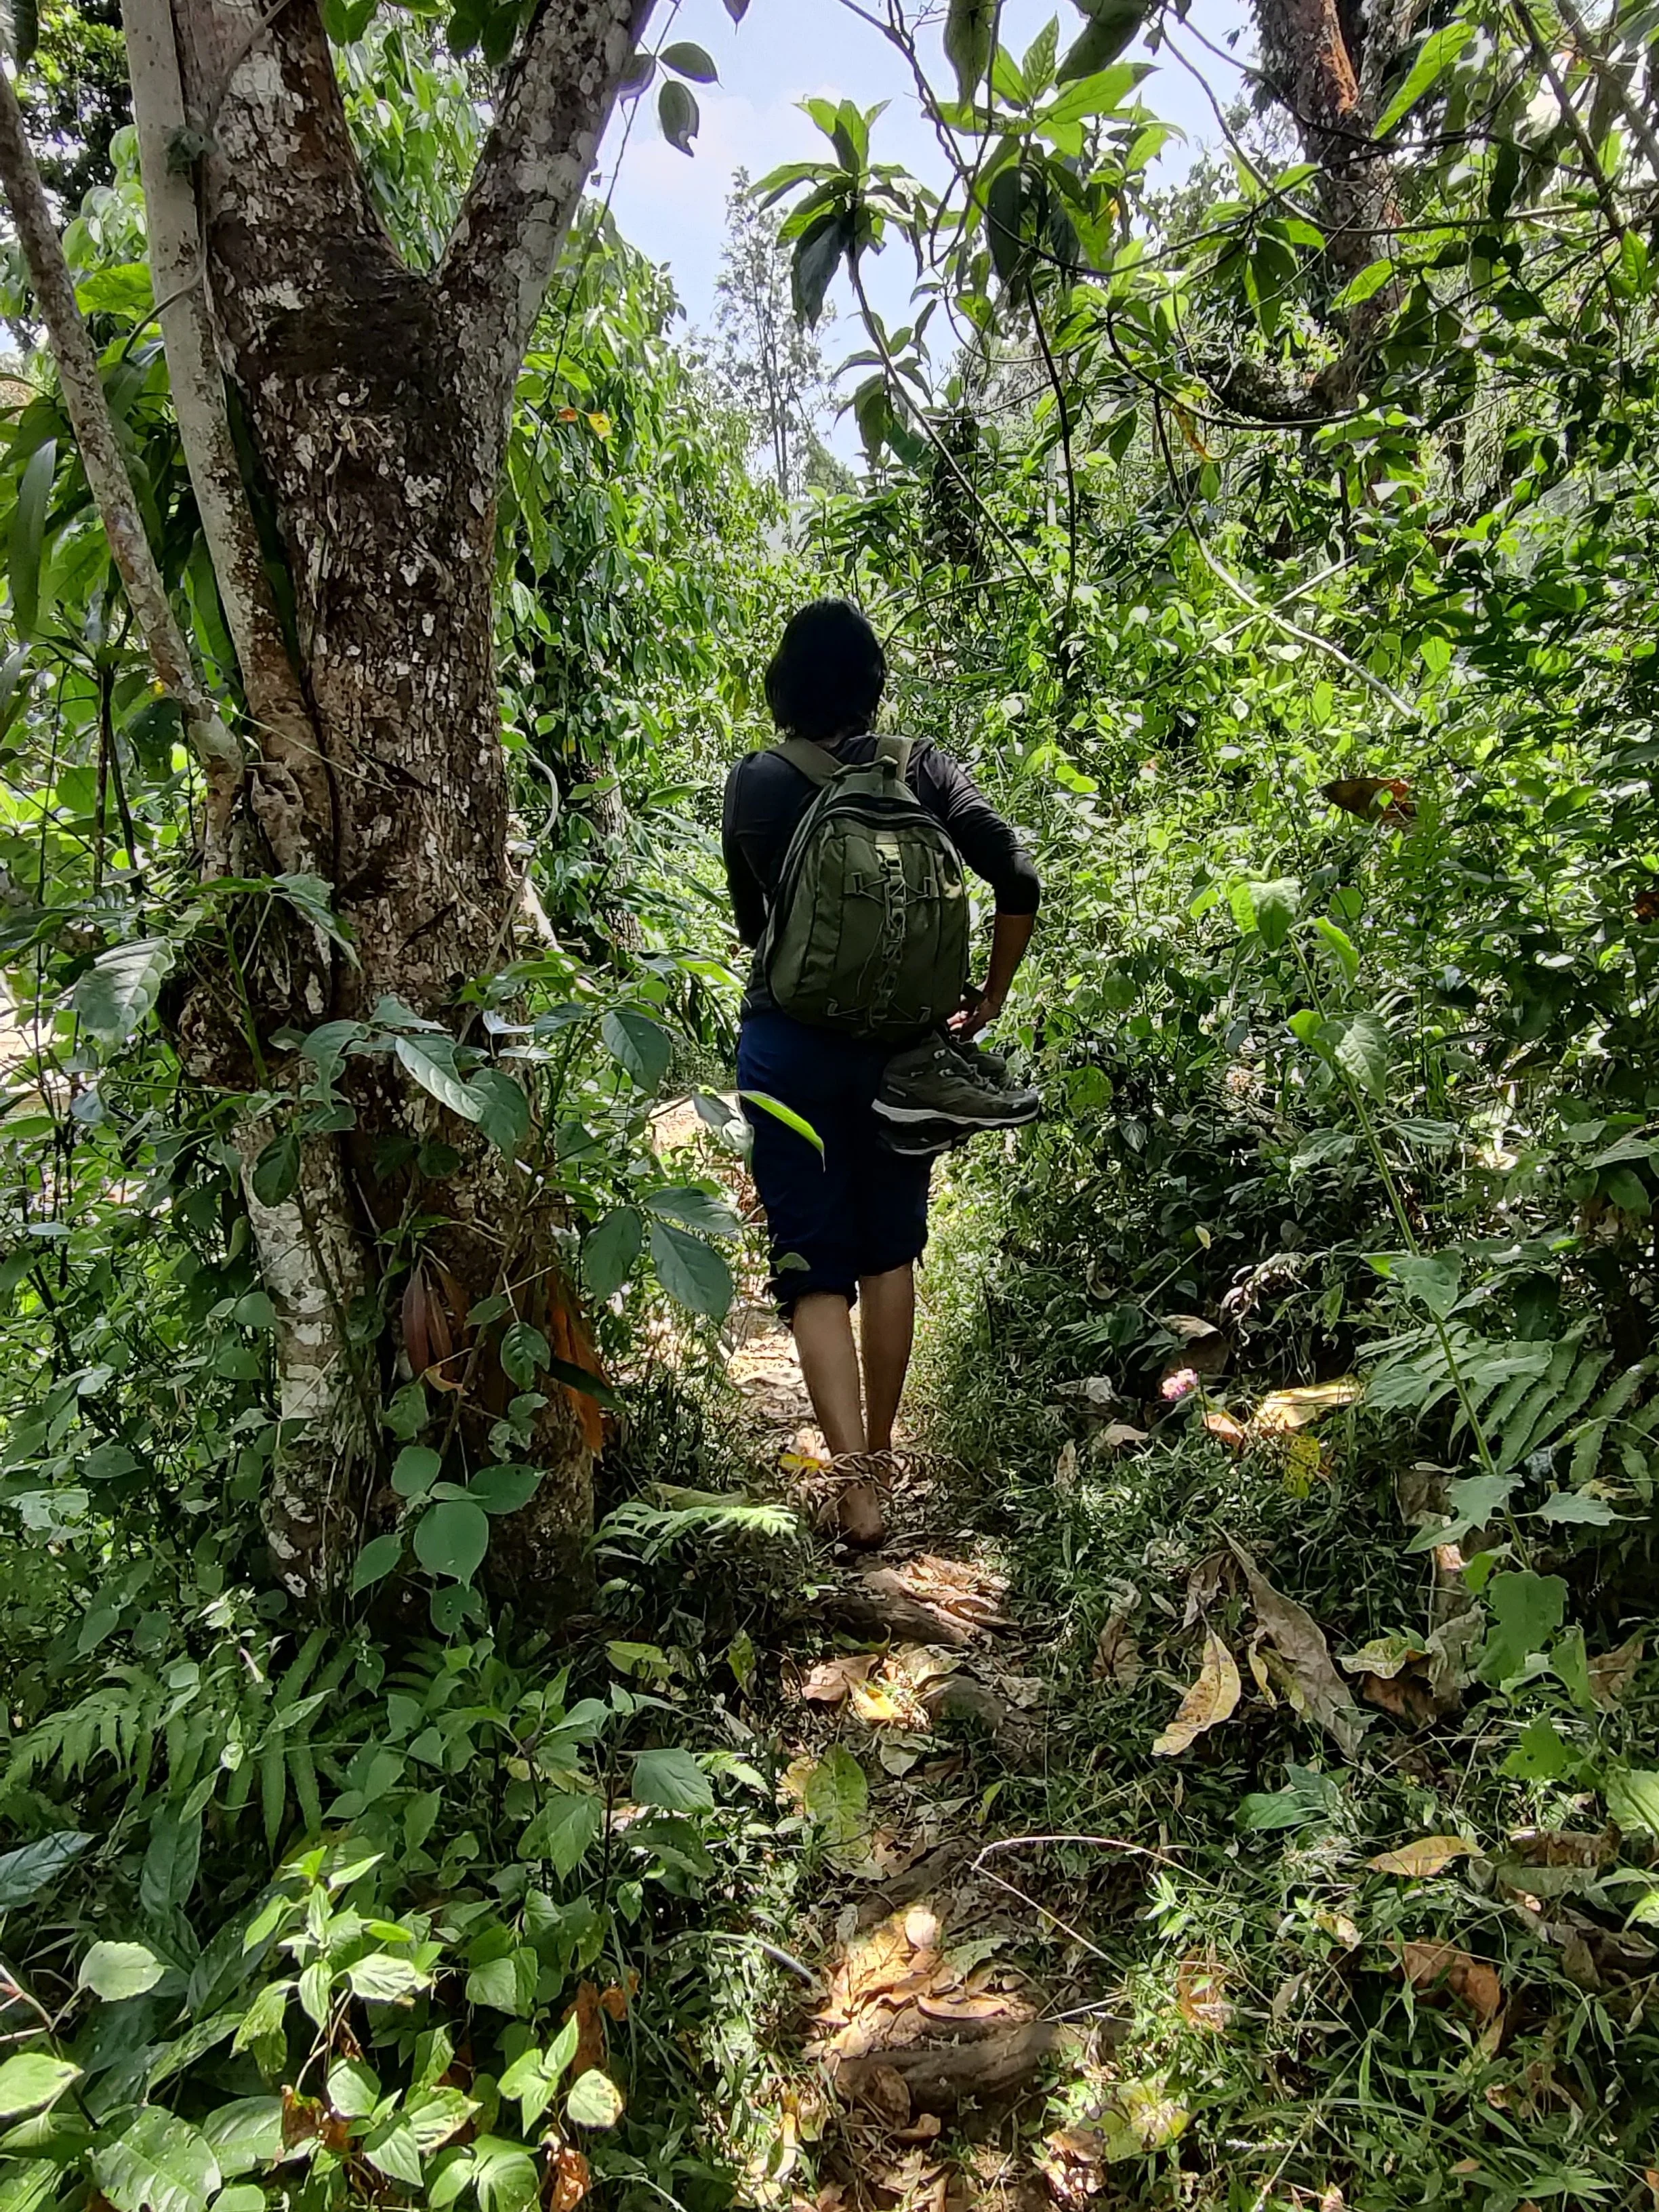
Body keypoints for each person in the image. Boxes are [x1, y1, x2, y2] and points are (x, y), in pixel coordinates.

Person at [722, 598, 1041, 1544]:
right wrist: (989, 994)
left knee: (813, 1264)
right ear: (872, 686)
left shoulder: (758, 783)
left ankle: (854, 1489)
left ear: (782, 686)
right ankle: (886, 1459)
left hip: (789, 1046)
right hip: (906, 1052)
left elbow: (756, 930)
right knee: (890, 1249)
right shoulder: (926, 768)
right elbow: (1017, 875)